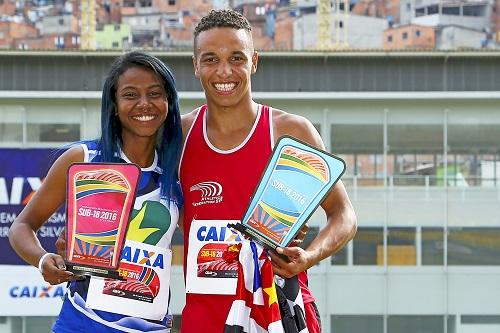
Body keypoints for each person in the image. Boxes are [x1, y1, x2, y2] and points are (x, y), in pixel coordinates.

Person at [179, 9, 357, 333]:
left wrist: (309, 255)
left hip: (279, 316)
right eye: (210, 59)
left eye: (236, 58)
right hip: (204, 319)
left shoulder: (290, 133)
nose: (224, 71)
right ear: (195, 65)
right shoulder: (180, 137)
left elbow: (345, 217)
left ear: (254, 61)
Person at [9, 51, 183, 333]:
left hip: (150, 326)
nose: (144, 104)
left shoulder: (176, 172)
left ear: (168, 102)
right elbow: (22, 226)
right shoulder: (83, 159)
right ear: (114, 104)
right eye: (130, 94)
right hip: (82, 322)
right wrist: (42, 259)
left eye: (155, 93)